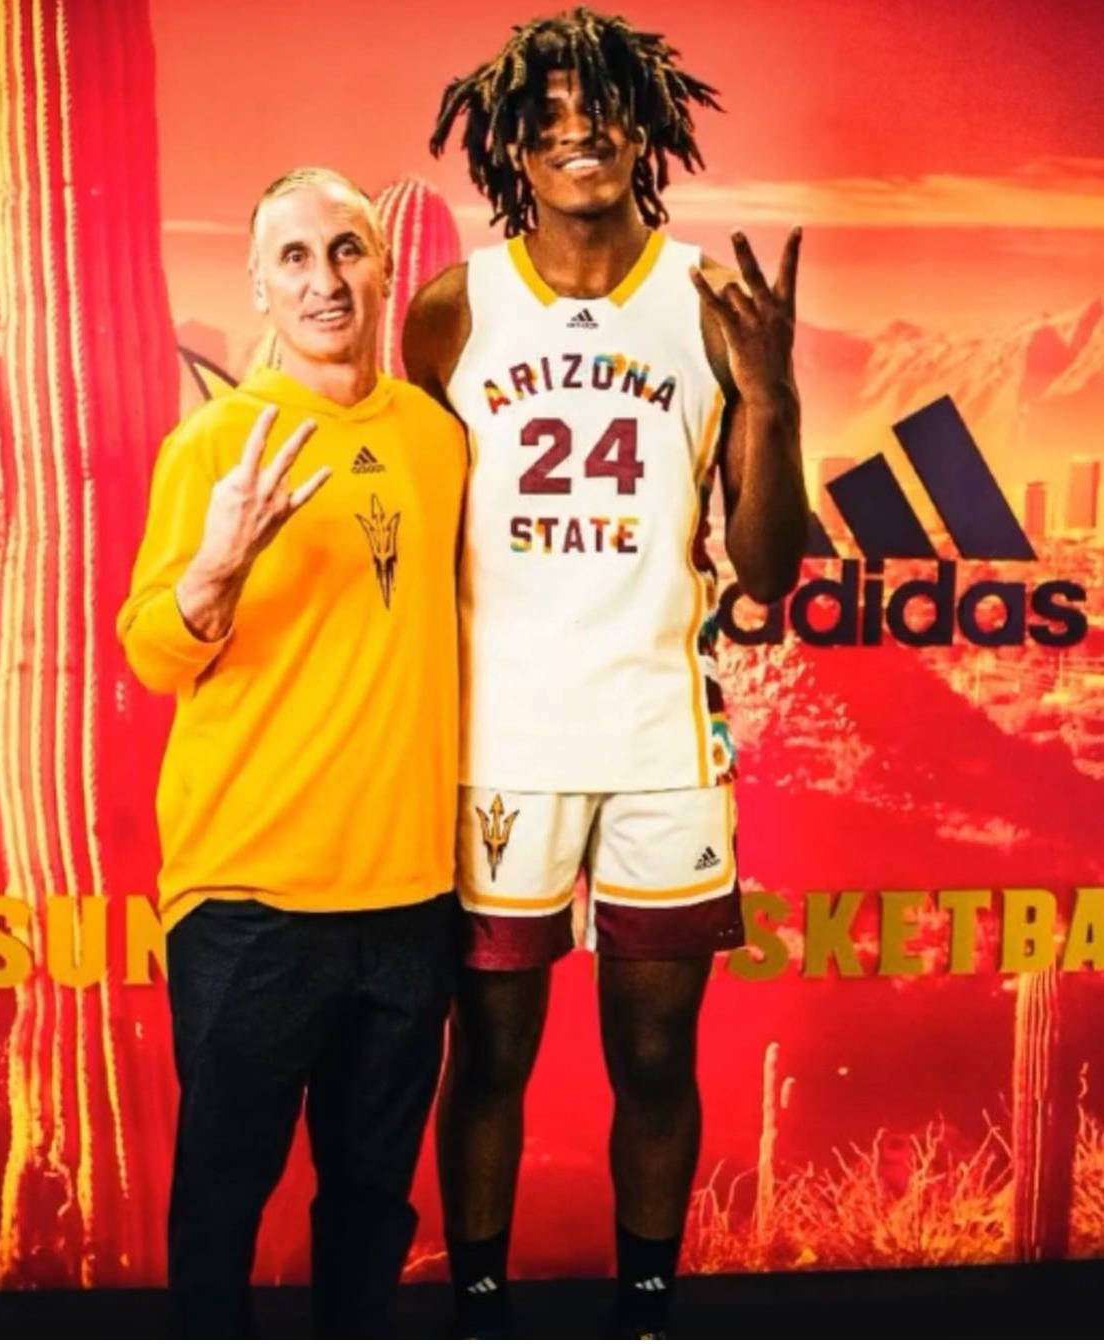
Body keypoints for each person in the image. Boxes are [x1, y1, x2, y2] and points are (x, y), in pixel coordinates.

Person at [403, 9, 808, 1337]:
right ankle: (476, 1304)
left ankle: (645, 1306)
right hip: (499, 744)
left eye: (601, 113)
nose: (576, 135)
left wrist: (771, 388)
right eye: (547, 118)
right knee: (489, 1060)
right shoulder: (455, 307)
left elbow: (761, 572)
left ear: (647, 132)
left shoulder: (707, 300)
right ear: (506, 147)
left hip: (655, 744)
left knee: (650, 1054)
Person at [117, 167, 466, 1339]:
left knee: (371, 1203)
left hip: (413, 898)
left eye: (349, 250)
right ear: (259, 286)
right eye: (297, 258)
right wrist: (213, 570)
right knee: (222, 1196)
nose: (327, 280)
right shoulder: (217, 441)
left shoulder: (432, 435)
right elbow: (153, 653)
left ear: (383, 267)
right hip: (254, 900)